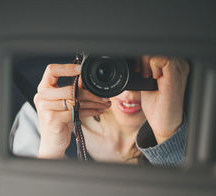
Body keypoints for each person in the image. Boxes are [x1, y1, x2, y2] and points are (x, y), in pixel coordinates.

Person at [10, 56, 190, 166]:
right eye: (110, 69)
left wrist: (169, 138)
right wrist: (50, 151)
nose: (128, 91)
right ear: (86, 62)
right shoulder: (44, 117)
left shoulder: (204, 121)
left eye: (143, 69)